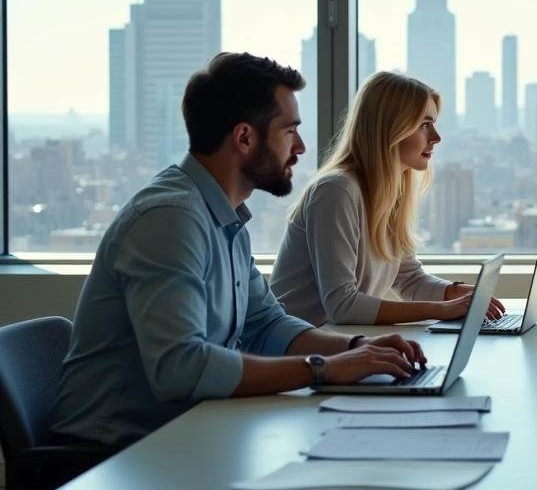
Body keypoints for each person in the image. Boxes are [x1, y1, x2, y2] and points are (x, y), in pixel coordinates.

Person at [51, 53, 427, 448]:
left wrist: (357, 348)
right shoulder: (170, 220)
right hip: (110, 455)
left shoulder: (222, 216)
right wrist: (324, 369)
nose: (300, 147)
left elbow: (266, 324)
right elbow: (182, 369)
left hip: (186, 432)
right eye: (289, 131)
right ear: (245, 137)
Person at [270, 71, 504, 326]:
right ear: (391, 129)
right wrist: (442, 309)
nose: (436, 137)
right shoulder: (336, 191)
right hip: (292, 353)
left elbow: (410, 279)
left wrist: (457, 293)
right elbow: (343, 306)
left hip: (336, 345)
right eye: (424, 125)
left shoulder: (388, 192)